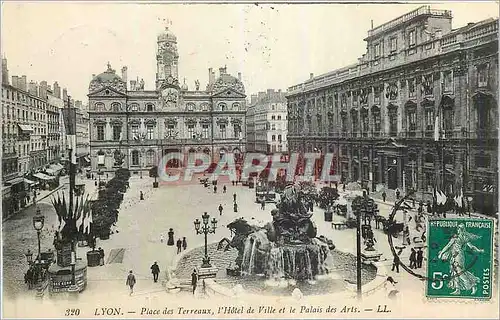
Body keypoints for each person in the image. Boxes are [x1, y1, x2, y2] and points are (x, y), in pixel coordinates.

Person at [437, 223, 484, 295]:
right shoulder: (457, 238)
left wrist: (441, 253)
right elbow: (448, 246)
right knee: (454, 272)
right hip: (454, 256)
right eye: (458, 229)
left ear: (461, 230)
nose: (458, 230)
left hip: (459, 256)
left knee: (459, 271)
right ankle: (457, 289)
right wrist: (478, 250)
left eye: (459, 229)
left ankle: (473, 285)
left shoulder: (461, 238)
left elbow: (471, 246)